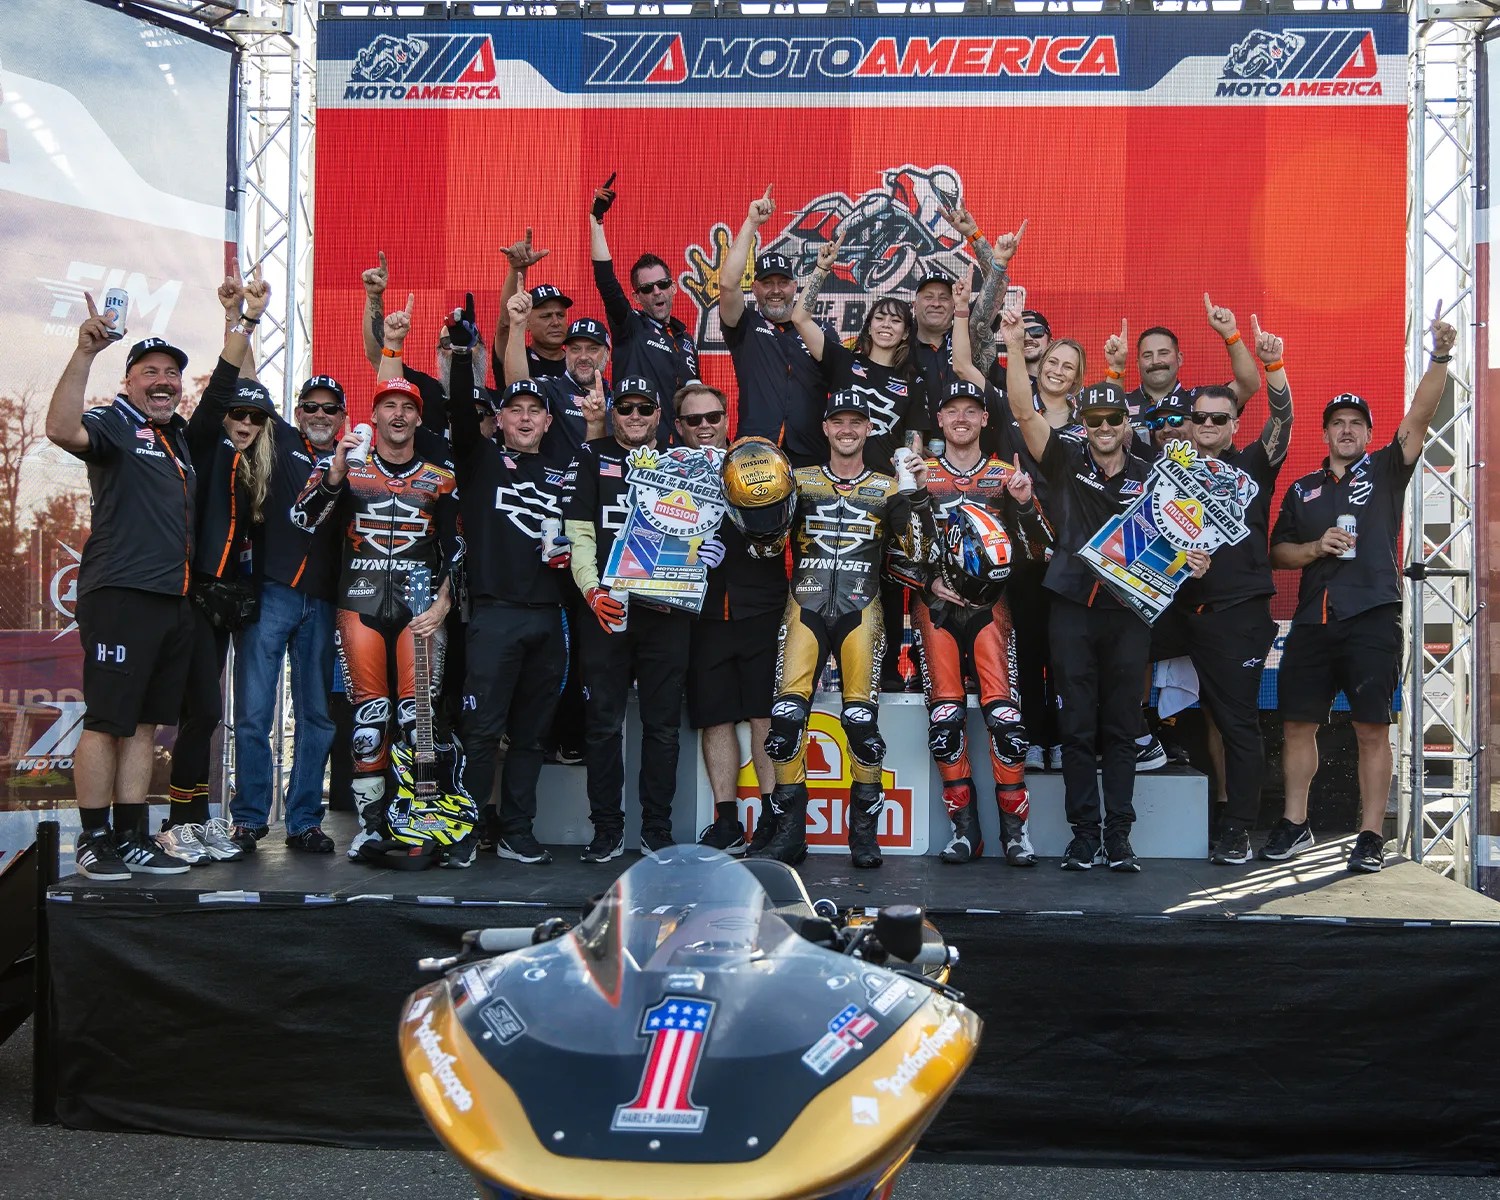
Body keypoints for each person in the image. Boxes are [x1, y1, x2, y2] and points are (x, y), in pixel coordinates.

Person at [1000, 308, 1209, 873]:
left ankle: (1119, 835)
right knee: (1077, 727)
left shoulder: (1155, 474)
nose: (1103, 430)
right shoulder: (1066, 459)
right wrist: (1016, 348)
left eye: (1112, 420)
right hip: (1071, 605)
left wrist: (1194, 557)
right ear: (1084, 427)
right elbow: (1023, 408)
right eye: (1093, 422)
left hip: (1129, 611)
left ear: (1126, 423)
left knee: (1121, 726)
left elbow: (1187, 537)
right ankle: (1082, 835)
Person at [1266, 309, 1455, 873]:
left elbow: (1420, 415)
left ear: (1369, 434)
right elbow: (1278, 553)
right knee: (1298, 722)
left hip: (1373, 613)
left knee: (1372, 727)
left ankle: (1371, 835)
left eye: (1357, 423)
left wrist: (1439, 357)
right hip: (1313, 619)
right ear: (1325, 433)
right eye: (1338, 423)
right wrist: (1313, 548)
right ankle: (1296, 824)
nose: (1347, 430)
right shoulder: (1302, 490)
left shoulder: (1386, 469)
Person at [46, 298, 196, 879]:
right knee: (108, 720)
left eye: (171, 373)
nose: (163, 382)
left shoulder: (177, 437)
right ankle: (93, 838)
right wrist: (86, 349)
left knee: (143, 725)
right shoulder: (113, 421)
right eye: (150, 372)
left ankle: (132, 834)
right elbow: (60, 427)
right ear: (129, 382)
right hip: (120, 593)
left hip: (171, 598)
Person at [752, 390, 930, 869]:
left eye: (857, 422)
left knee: (861, 726)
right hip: (804, 607)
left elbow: (914, 553)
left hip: (863, 609)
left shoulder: (889, 487)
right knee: (785, 721)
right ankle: (791, 835)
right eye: (839, 422)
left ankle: (864, 836)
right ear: (826, 428)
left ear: (869, 428)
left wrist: (914, 495)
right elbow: (766, 547)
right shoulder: (797, 480)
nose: (847, 429)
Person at [290, 376, 463, 862]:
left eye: (407, 407)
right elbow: (303, 518)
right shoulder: (345, 467)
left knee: (417, 718)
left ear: (418, 418)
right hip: (359, 607)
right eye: (389, 406)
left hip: (420, 613)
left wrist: (445, 603)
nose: (399, 415)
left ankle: (421, 818)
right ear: (374, 415)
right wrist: (336, 473)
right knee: (370, 719)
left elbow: (459, 547)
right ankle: (370, 825)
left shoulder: (440, 477)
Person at [1148, 318, 1293, 866]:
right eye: (1199, 417)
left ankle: (1237, 829)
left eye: (1219, 417)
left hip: (1237, 614)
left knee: (1236, 722)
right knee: (1116, 642)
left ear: (1234, 423)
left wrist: (1272, 367)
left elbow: (1283, 418)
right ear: (1189, 423)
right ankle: (1137, 737)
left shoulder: (1254, 463)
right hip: (1179, 607)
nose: (1208, 424)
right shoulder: (1170, 470)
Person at [892, 380, 1052, 865]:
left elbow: (1042, 550)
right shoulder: (918, 473)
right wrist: (924, 584)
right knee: (945, 720)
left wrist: (1024, 504)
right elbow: (890, 550)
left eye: (971, 411)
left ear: (985, 419)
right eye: (951, 411)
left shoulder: (1008, 474)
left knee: (1006, 721)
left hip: (992, 608)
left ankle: (1016, 834)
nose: (961, 418)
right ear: (939, 421)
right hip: (933, 607)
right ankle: (964, 832)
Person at [443, 305, 573, 865]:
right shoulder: (480, 461)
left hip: (549, 615)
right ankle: (467, 828)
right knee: (480, 730)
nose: (523, 418)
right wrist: (464, 351)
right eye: (513, 410)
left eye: (533, 411)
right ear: (498, 420)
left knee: (530, 735)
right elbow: (457, 410)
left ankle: (518, 829)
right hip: (493, 615)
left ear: (548, 421)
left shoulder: (568, 468)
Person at [156, 272, 276, 866]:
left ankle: (198, 819)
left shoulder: (256, 465)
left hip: (233, 599)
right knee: (200, 710)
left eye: (256, 420)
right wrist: (243, 320)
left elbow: (249, 389)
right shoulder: (205, 442)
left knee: (213, 712)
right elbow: (231, 383)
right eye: (239, 416)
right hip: (195, 595)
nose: (245, 424)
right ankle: (183, 822)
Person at [563, 378, 695, 861]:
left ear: (660, 414)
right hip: (607, 609)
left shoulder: (682, 460)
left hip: (666, 610)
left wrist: (697, 567)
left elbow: (699, 532)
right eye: (626, 408)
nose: (635, 416)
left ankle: (655, 829)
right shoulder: (590, 455)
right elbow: (577, 531)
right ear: (613, 413)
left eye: (645, 408)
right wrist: (591, 589)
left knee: (662, 726)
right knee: (601, 725)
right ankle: (607, 829)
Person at [230, 364, 346, 856]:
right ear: (297, 412)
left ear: (343, 417)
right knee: (255, 712)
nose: (320, 414)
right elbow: (249, 379)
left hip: (323, 599)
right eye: (311, 407)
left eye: (330, 408)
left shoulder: (354, 459)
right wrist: (247, 318)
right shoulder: (277, 439)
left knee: (317, 716)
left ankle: (303, 821)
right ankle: (250, 819)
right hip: (272, 591)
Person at [679, 390, 789, 856]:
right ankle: (726, 821)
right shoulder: (667, 477)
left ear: (728, 419)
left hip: (761, 605)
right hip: (701, 614)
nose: (704, 425)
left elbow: (786, 530)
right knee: (715, 717)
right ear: (678, 427)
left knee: (764, 714)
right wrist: (688, 554)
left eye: (713, 416)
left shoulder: (757, 462)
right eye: (693, 419)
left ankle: (770, 816)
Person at [717, 185, 834, 467]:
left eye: (782, 282)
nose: (775, 290)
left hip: (812, 455)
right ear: (754, 288)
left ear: (795, 286)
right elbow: (727, 283)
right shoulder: (743, 326)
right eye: (767, 283)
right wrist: (751, 223)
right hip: (754, 453)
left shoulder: (822, 333)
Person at [588, 177, 700, 439]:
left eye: (662, 285)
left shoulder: (685, 339)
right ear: (636, 297)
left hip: (678, 454)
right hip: (635, 447)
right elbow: (606, 281)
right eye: (647, 289)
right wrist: (596, 221)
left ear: (673, 287)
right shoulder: (630, 326)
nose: (656, 292)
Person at [1102, 295, 1262, 423]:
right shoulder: (1125, 403)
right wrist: (1116, 365)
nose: (1156, 361)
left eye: (1163, 353)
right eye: (1147, 355)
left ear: (1179, 359)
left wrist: (1230, 334)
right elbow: (1106, 416)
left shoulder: (1200, 401)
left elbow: (1248, 385)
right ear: (1137, 364)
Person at [504, 290, 610, 465]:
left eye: (592, 349)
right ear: (566, 352)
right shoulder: (553, 389)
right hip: (554, 488)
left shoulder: (619, 402)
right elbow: (517, 386)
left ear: (607, 353)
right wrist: (517, 324)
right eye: (575, 349)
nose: (583, 357)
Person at [491, 229, 570, 382]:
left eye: (560, 315)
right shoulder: (514, 356)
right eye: (546, 316)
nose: (556, 322)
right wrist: (517, 268)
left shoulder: (578, 362)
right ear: (526, 322)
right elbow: (506, 324)